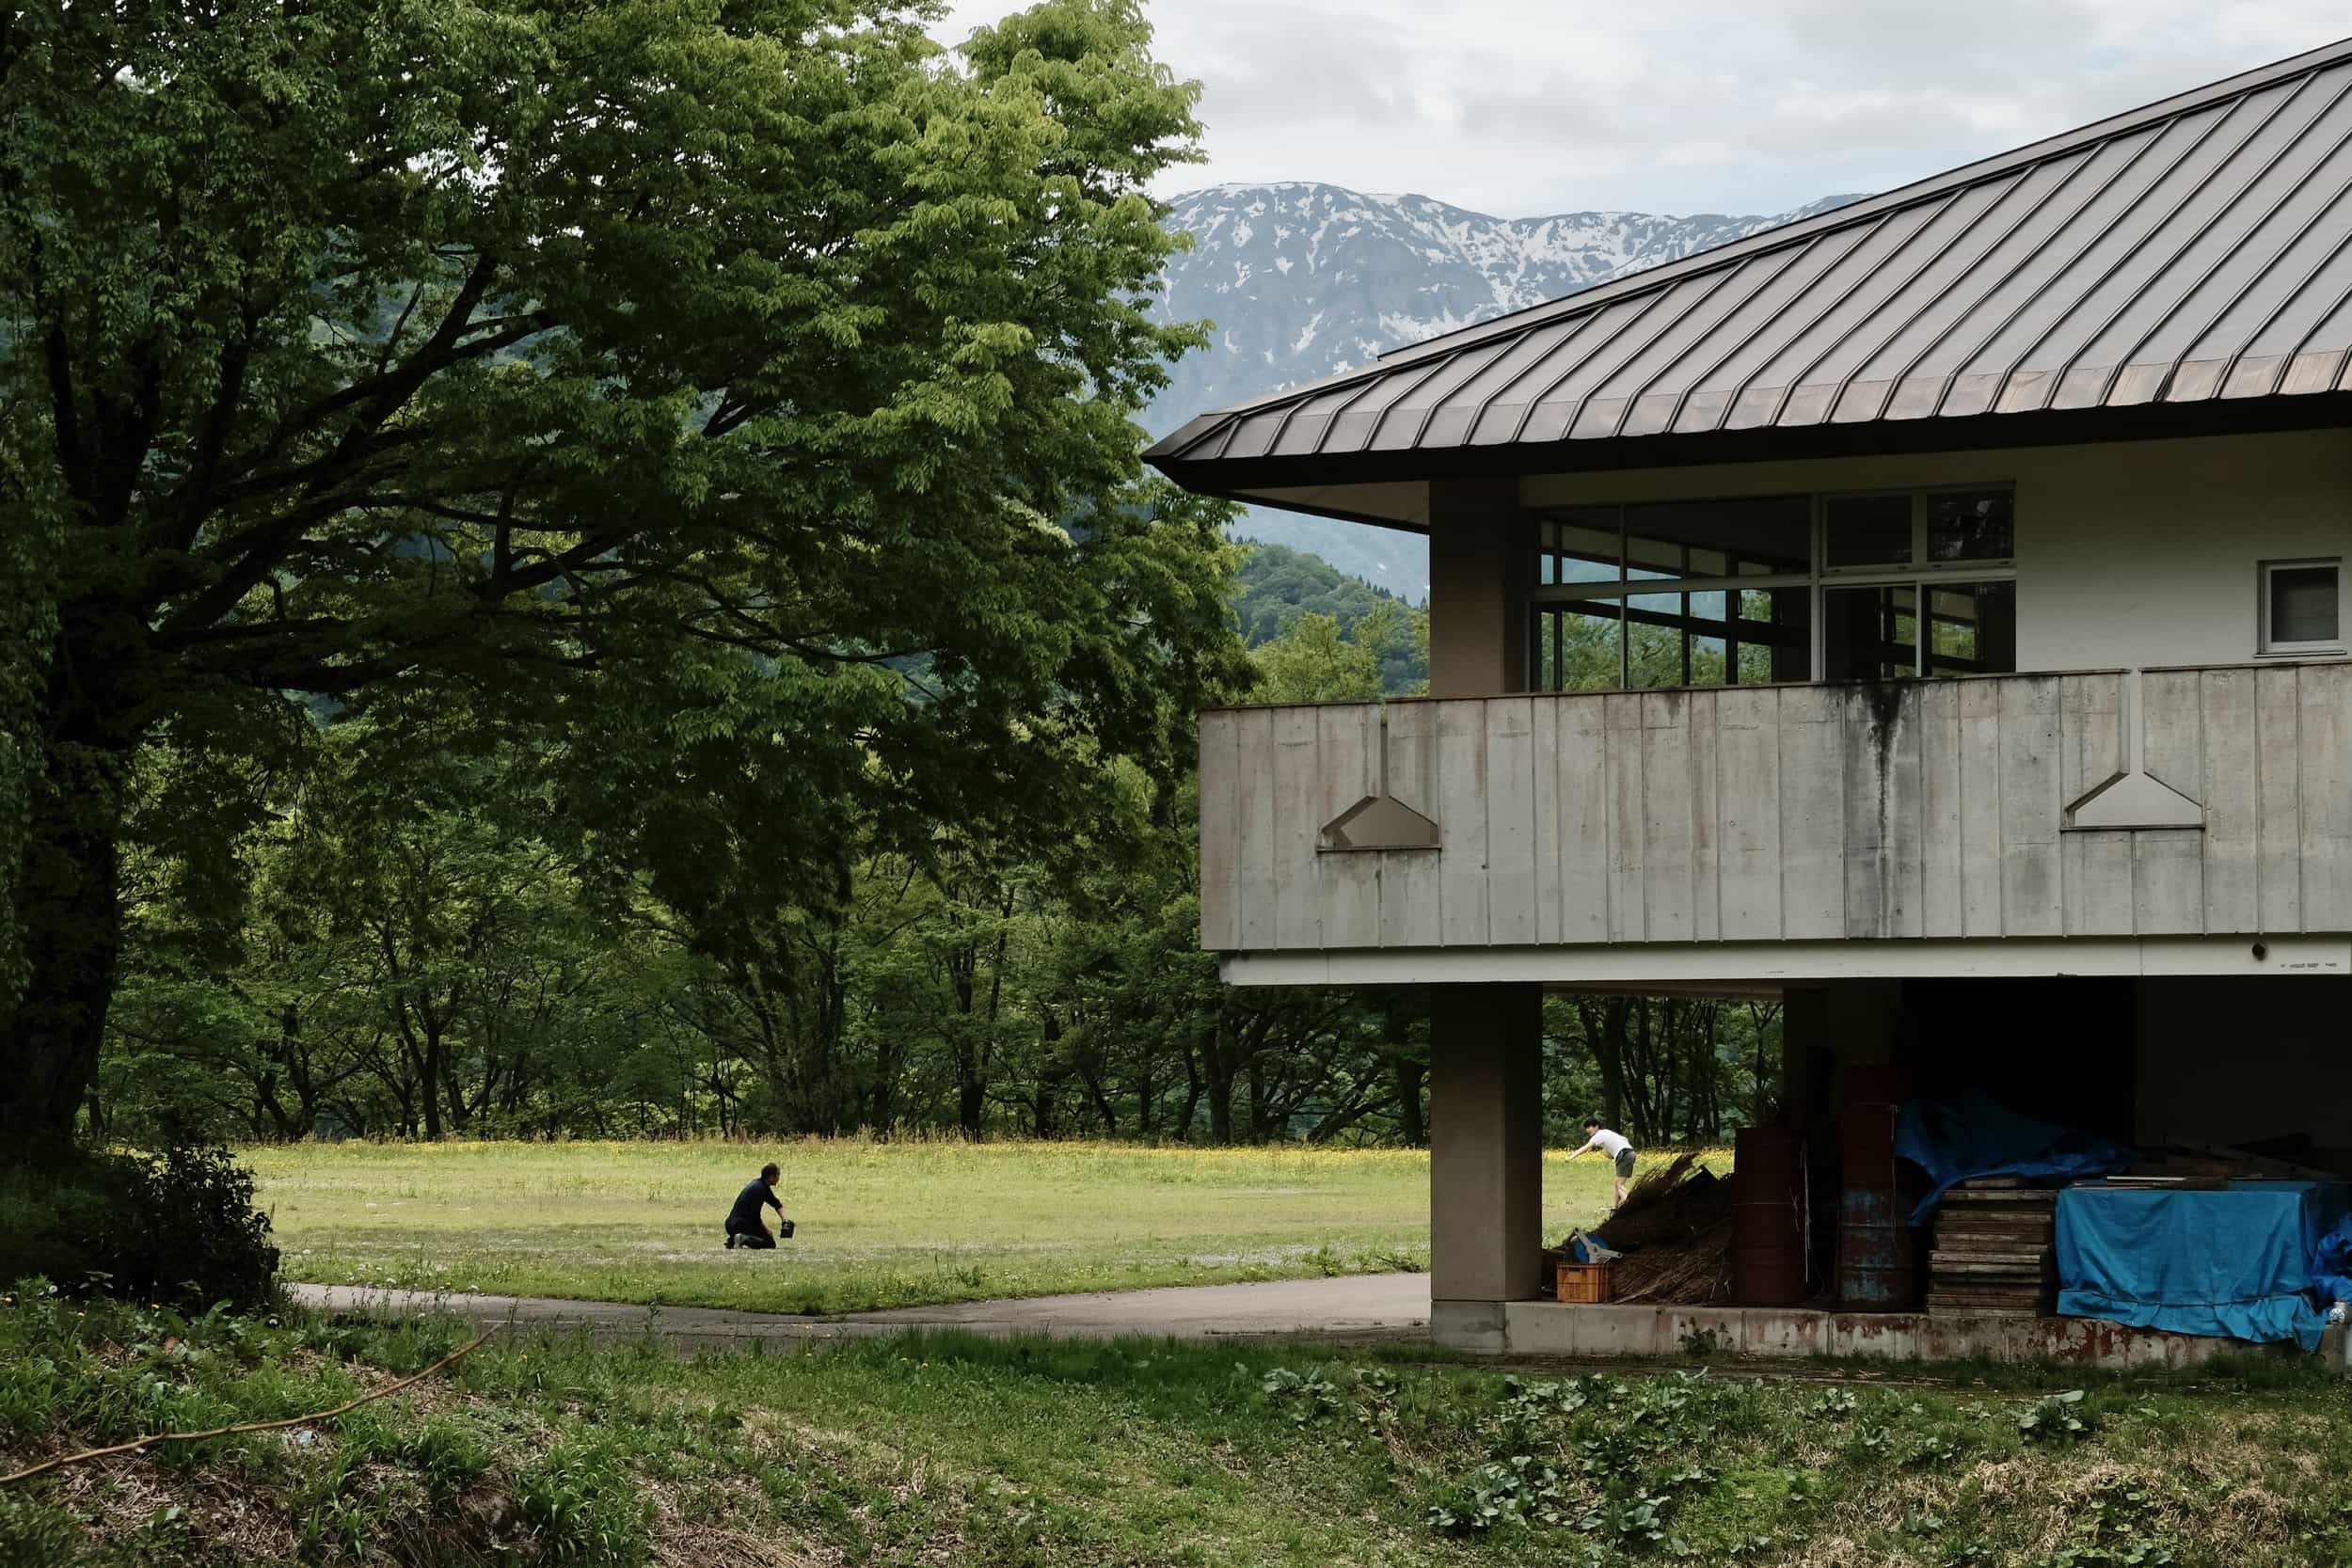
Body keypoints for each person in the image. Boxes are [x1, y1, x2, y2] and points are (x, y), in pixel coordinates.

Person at [1569, 1119, 1637, 1209]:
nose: (1588, 1129)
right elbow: (1625, 1139)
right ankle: (1616, 1207)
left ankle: (1631, 1206)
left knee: (1619, 1185)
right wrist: (1609, 1152)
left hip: (1623, 1154)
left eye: (1590, 1127)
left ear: (1596, 1126)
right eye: (1586, 1128)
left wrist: (1571, 1157)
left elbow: (1585, 1147)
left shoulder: (1598, 1136)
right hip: (1629, 1153)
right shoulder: (1606, 1132)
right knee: (1617, 1183)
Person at [723, 1163, 789, 1249]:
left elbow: (776, 1203)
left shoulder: (760, 1185)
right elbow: (755, 1217)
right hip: (739, 1224)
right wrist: (766, 1230)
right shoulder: (759, 1190)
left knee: (763, 1237)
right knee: (769, 1243)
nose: (778, 1178)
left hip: (730, 1224)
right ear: (771, 1177)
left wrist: (784, 1220)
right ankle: (743, 1238)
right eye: (777, 1175)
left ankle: (733, 1240)